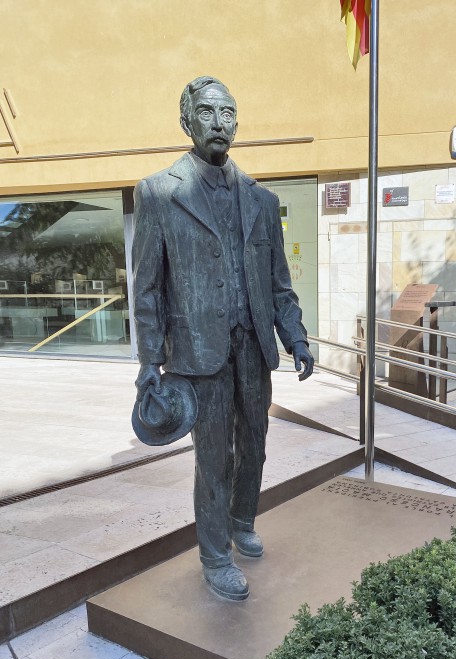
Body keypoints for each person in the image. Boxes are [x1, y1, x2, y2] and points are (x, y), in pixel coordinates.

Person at [132, 76, 313, 601]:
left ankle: (242, 520)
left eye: (228, 113)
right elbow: (147, 288)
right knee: (213, 457)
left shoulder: (261, 199)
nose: (219, 123)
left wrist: (295, 337)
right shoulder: (159, 193)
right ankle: (214, 557)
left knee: (254, 443)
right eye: (208, 113)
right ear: (186, 121)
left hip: (253, 347)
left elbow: (279, 283)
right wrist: (149, 361)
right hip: (197, 353)